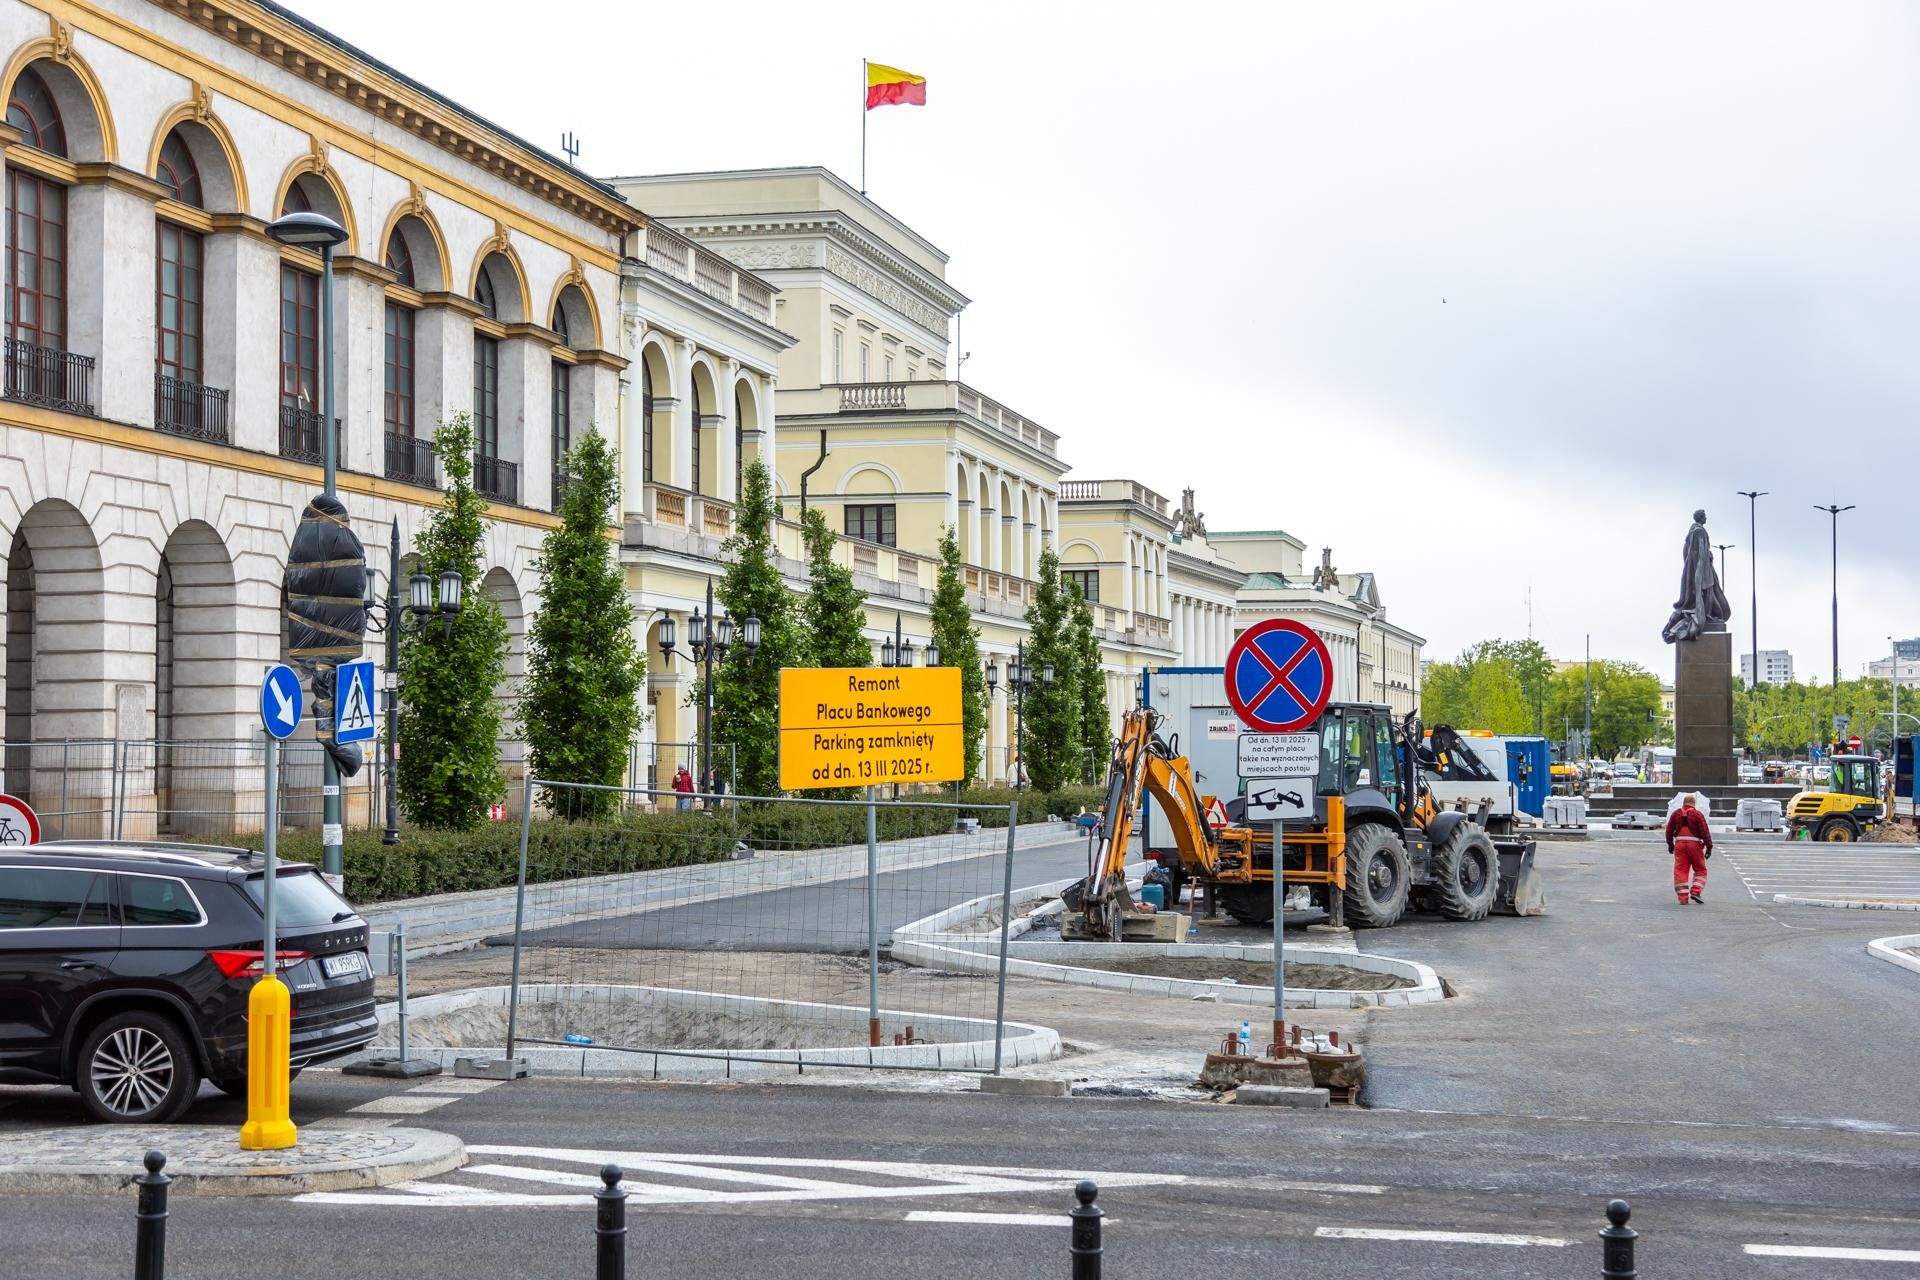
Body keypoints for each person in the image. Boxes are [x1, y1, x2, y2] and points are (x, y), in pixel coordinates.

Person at [1665, 793, 1712, 905]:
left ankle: (1683, 898)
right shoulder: (1697, 814)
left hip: (1680, 844)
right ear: (1694, 804)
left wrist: (1670, 845)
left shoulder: (1676, 814)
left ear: (1683, 803)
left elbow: (1669, 831)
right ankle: (1696, 891)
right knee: (1700, 869)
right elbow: (1705, 832)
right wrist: (1709, 847)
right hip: (1694, 844)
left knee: (1681, 870)